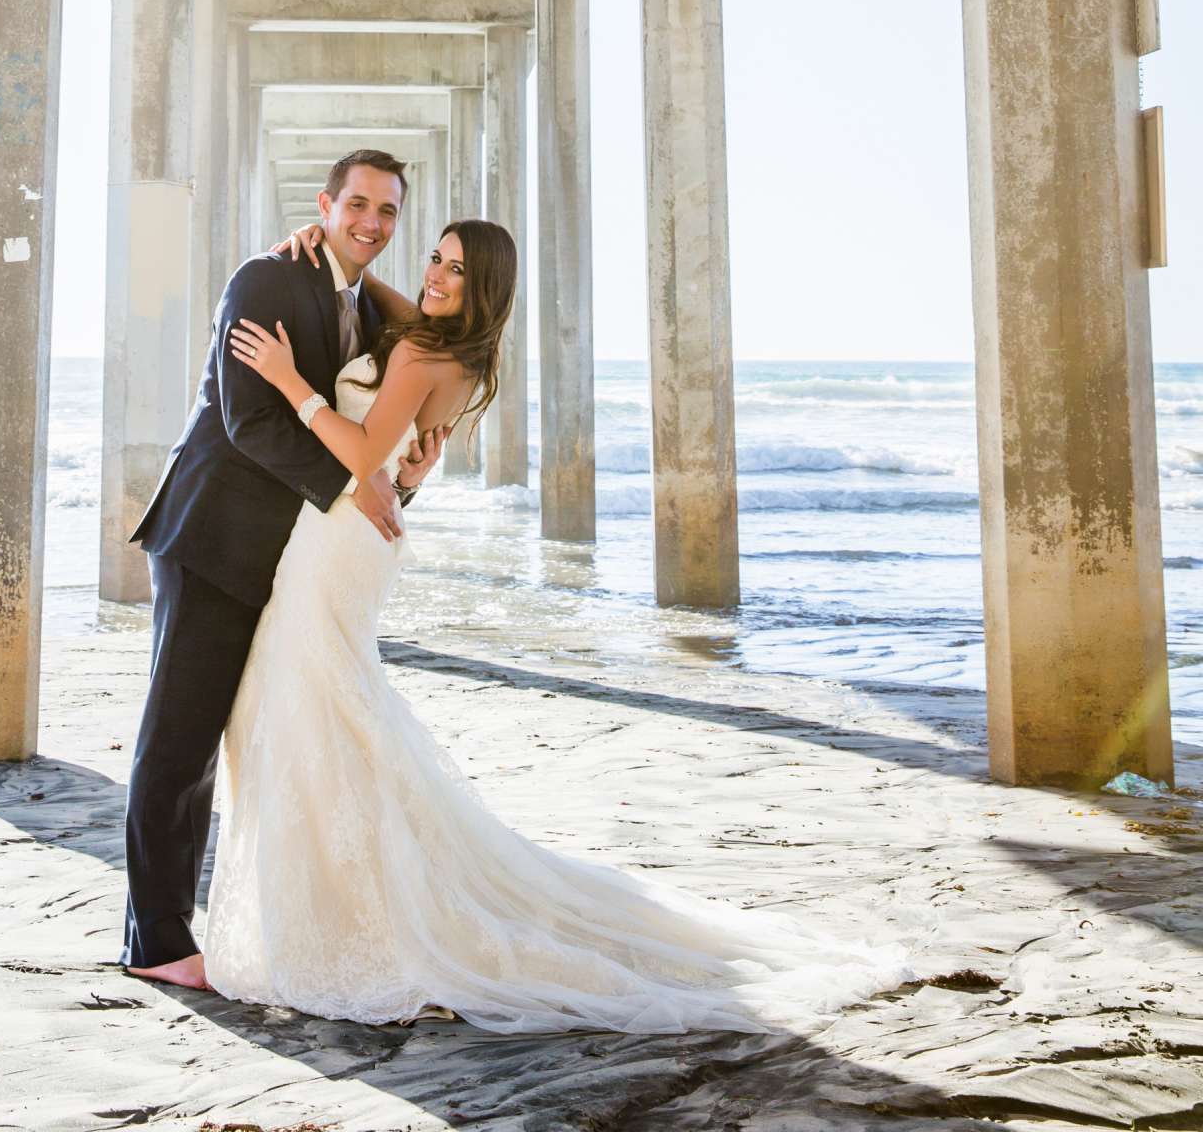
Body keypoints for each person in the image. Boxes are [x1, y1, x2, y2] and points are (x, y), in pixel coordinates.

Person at [204, 212, 914, 1033]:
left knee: (315, 699)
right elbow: (370, 292)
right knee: (318, 701)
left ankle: (358, 908)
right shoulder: (452, 347)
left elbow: (362, 457)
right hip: (349, 536)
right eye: (434, 257)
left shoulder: (422, 352)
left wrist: (291, 380)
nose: (434, 274)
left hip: (341, 537)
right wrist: (328, 243)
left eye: (456, 270)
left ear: (485, 288)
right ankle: (339, 890)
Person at [119, 149, 447, 988]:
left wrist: (399, 470)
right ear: (325, 203)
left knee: (237, 740)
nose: (372, 223)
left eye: (388, 211)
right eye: (358, 205)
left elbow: (390, 386)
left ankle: (207, 928)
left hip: (278, 556)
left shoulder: (356, 303)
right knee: (179, 742)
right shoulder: (266, 281)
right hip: (211, 538)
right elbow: (245, 419)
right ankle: (156, 943)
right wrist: (353, 486)